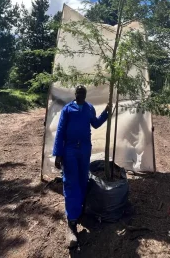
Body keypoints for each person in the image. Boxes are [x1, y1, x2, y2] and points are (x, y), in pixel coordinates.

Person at [53, 85, 109, 248]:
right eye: (78, 93)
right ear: (75, 94)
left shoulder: (89, 108)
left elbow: (96, 124)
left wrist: (106, 112)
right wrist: (58, 153)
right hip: (70, 150)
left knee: (83, 180)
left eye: (83, 93)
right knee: (71, 182)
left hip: (84, 150)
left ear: (85, 95)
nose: (80, 95)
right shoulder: (67, 109)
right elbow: (61, 131)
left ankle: (80, 212)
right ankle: (71, 223)